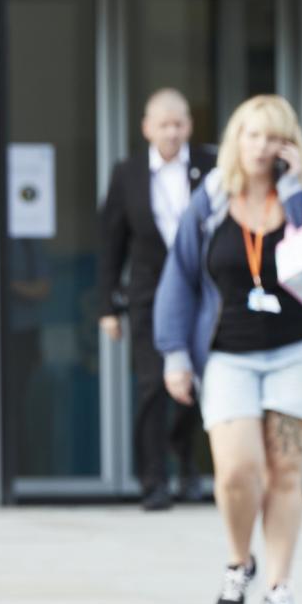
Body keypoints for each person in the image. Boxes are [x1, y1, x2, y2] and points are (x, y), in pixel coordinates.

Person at [155, 95, 302, 604]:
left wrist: (293, 194)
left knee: (286, 470)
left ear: (289, 145)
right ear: (235, 141)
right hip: (229, 356)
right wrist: (175, 354)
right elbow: (180, 279)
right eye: (252, 136)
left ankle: (278, 588)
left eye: (273, 137)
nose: (261, 147)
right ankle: (239, 560)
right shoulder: (211, 202)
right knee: (238, 472)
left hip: (299, 352)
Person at [98, 88, 214, 510]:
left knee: (194, 384)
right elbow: (111, 243)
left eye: (178, 124)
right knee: (152, 386)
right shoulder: (127, 173)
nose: (171, 132)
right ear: (147, 128)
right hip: (148, 294)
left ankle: (186, 464)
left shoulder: (209, 166)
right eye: (163, 124)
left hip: (200, 293)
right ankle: (153, 480)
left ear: (189, 127)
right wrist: (107, 307)